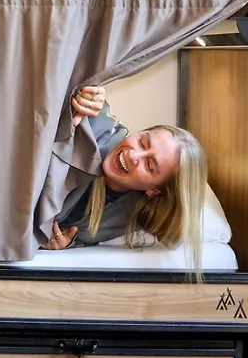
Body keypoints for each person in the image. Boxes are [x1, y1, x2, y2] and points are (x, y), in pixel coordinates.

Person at [42, 84, 209, 279]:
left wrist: (65, 242)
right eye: (142, 142)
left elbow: (81, 234)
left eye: (149, 166)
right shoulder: (95, 125)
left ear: (154, 191)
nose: (133, 155)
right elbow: (66, 87)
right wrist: (85, 94)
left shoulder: (127, 216)